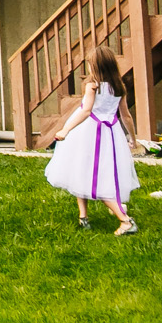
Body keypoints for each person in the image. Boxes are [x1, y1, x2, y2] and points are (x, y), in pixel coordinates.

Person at [43, 47, 141, 234]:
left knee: (91, 173)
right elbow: (126, 116)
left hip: (91, 133)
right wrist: (132, 139)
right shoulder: (119, 87)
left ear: (95, 67)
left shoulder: (92, 86)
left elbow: (86, 111)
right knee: (84, 170)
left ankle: (125, 221)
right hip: (111, 133)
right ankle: (83, 217)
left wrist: (66, 129)